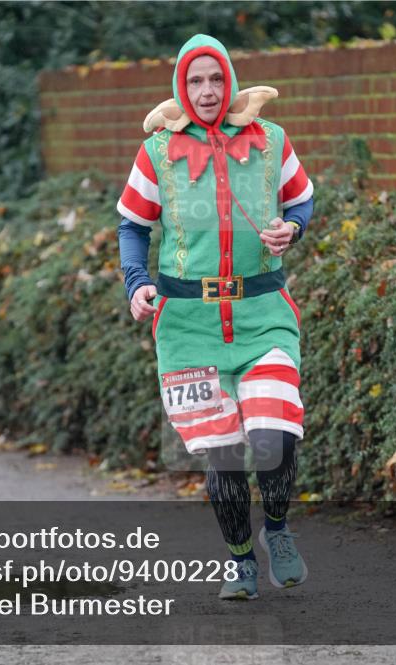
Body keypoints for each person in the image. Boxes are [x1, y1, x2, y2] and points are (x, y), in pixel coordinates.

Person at [117, 34, 314, 600]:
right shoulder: (157, 151)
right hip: (187, 328)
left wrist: (293, 227)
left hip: (263, 316)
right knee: (224, 458)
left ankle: (276, 529)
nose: (206, 91)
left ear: (229, 82)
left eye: (215, 79)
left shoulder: (269, 140)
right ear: (183, 86)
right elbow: (132, 224)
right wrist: (138, 283)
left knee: (275, 436)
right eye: (195, 81)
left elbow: (301, 198)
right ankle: (239, 561)